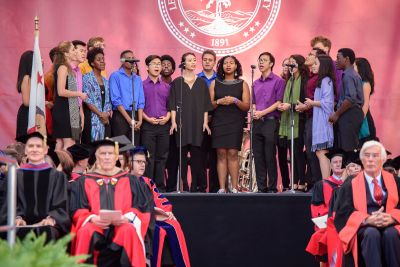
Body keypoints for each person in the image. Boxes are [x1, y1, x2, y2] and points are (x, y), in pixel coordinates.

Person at [70, 139, 154, 266]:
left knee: (128, 230)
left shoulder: (131, 180)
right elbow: (77, 208)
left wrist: (126, 218)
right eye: (103, 154)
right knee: (85, 231)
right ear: (96, 157)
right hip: (96, 224)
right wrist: (92, 218)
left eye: (110, 153)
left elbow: (142, 207)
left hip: (123, 223)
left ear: (116, 157)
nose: (107, 157)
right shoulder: (84, 181)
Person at [334, 141, 400, 266]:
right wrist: (366, 220)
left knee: (391, 234)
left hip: (392, 224)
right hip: (363, 228)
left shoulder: (396, 182)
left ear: (383, 159)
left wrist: (392, 217)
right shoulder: (350, 184)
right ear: (362, 160)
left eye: (375, 156)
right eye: (367, 156)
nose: (370, 160)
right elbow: (342, 212)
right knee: (371, 233)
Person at [129, 146, 191, 267]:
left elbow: (160, 199)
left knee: (174, 224)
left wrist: (166, 212)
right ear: (129, 162)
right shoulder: (124, 181)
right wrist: (153, 213)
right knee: (158, 230)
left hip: (153, 216)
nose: (142, 165)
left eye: (144, 162)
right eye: (138, 162)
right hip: (137, 220)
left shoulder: (147, 181)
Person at [13, 132, 70, 241]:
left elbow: (62, 203)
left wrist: (52, 218)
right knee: (13, 233)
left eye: (39, 146)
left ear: (45, 150)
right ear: (25, 150)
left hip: (48, 226)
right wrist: (16, 217)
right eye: (30, 146)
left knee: (47, 232)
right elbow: (7, 202)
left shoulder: (57, 177)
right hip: (19, 224)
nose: (34, 149)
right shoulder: (15, 176)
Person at [169, 52, 213, 192]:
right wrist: (173, 122)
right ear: (183, 63)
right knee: (181, 157)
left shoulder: (201, 82)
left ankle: (195, 185)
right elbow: (172, 104)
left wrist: (205, 123)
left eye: (194, 60)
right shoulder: (177, 83)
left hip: (197, 124)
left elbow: (206, 105)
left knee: (196, 158)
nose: (193, 62)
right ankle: (184, 185)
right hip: (182, 124)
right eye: (190, 60)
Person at [209, 55, 250, 193]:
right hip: (219, 121)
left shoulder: (242, 83)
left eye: (231, 63)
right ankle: (221, 188)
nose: (228, 65)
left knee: (233, 153)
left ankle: (234, 187)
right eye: (225, 63)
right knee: (220, 153)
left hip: (235, 121)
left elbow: (246, 106)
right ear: (221, 66)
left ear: (236, 66)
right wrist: (219, 102)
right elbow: (209, 105)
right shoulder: (215, 82)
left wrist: (235, 100)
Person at [252, 52, 285, 193]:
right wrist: (254, 111)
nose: (261, 63)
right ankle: (261, 187)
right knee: (258, 156)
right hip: (257, 122)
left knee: (269, 155)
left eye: (264, 60)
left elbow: (278, 102)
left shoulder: (278, 81)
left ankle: (272, 187)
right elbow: (254, 102)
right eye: (260, 60)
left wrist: (262, 113)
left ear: (271, 63)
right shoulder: (255, 82)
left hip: (271, 121)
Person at [306, 149, 345, 265]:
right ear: (331, 165)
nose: (338, 164)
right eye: (335, 162)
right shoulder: (321, 185)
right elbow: (316, 210)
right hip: (329, 226)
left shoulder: (350, 184)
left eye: (341, 162)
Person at [296, 48, 326, 189]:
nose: (307, 56)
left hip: (317, 118)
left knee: (315, 152)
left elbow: (324, 99)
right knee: (309, 152)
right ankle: (314, 183)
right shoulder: (309, 75)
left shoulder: (322, 78)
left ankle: (318, 184)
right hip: (309, 117)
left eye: (311, 55)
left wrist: (306, 106)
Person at [141, 55, 171, 192]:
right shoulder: (141, 85)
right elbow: (138, 107)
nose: (157, 66)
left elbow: (170, 106)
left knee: (162, 157)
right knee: (149, 156)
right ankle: (148, 186)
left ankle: (160, 187)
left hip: (164, 125)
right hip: (148, 125)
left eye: (159, 64)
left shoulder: (167, 87)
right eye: (154, 64)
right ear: (147, 67)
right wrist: (147, 118)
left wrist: (168, 117)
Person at [278, 55, 307, 191]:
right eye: (288, 64)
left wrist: (290, 105)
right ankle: (293, 181)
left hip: (300, 119)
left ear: (300, 64)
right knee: (292, 152)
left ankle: (302, 181)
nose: (290, 66)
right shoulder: (289, 81)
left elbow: (305, 101)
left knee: (298, 151)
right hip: (289, 119)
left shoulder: (304, 80)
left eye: (293, 63)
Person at [304, 55, 336, 180]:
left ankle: (326, 182)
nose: (313, 66)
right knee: (321, 153)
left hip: (323, 121)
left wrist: (312, 103)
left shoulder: (326, 80)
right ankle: (326, 182)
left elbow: (328, 103)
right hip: (319, 120)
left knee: (322, 152)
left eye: (316, 63)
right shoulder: (323, 80)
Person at [52, 41, 88, 150]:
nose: (75, 52)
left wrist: (80, 112)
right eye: (73, 49)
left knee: (62, 144)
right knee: (68, 144)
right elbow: (61, 91)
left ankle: (57, 166)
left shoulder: (70, 69)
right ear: (66, 53)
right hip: (64, 109)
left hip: (69, 108)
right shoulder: (63, 68)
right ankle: (63, 166)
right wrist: (79, 94)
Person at [329, 48, 364, 152]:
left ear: (347, 59)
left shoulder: (348, 76)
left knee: (348, 149)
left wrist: (336, 114)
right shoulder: (351, 74)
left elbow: (350, 99)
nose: (336, 61)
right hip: (351, 114)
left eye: (338, 58)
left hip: (350, 114)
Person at [109, 50, 145, 145]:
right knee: (121, 148)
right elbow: (116, 100)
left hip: (136, 115)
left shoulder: (137, 78)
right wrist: (129, 120)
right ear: (122, 60)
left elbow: (141, 101)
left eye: (133, 58)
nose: (132, 60)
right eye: (129, 58)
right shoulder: (115, 76)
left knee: (134, 148)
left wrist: (140, 120)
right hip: (121, 116)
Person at [198, 49, 218, 192]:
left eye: (210, 60)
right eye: (205, 59)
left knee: (215, 156)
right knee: (200, 155)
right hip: (199, 121)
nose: (207, 62)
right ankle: (201, 186)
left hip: (217, 121)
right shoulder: (196, 78)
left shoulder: (220, 79)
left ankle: (215, 188)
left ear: (214, 62)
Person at [82, 48, 112, 141]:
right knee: (91, 148)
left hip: (105, 120)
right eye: (99, 60)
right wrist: (100, 114)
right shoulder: (86, 78)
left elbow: (108, 100)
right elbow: (87, 99)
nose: (102, 61)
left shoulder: (106, 80)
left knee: (105, 145)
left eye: (103, 59)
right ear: (92, 63)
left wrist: (106, 114)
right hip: (91, 118)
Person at [354, 57, 377, 142]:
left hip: (364, 117)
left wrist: (359, 121)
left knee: (365, 144)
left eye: (354, 66)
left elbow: (365, 104)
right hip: (356, 115)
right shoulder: (356, 82)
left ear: (360, 68)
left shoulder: (365, 84)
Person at [16, 50, 33, 139]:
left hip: (33, 112)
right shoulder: (26, 78)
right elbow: (26, 102)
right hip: (27, 114)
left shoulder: (32, 78)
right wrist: (43, 103)